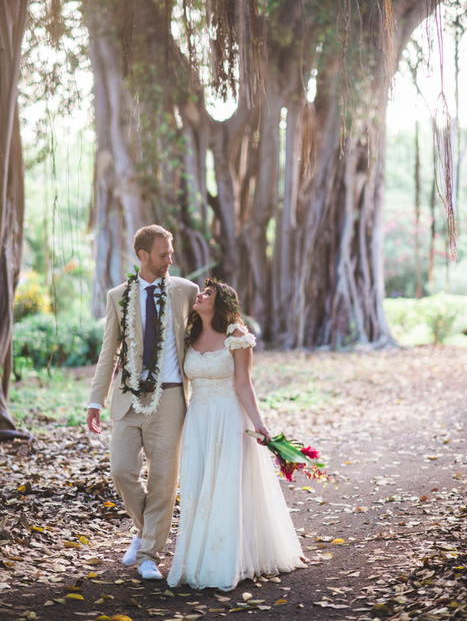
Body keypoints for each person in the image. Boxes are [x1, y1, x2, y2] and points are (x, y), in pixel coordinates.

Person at [167, 278, 306, 591]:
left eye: (207, 293)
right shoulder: (189, 336)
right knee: (199, 486)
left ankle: (226, 560)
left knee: (228, 486)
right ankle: (198, 556)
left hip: (229, 417)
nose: (199, 295)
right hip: (199, 419)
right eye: (201, 292)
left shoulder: (237, 336)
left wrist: (260, 423)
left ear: (220, 303)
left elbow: (243, 384)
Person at [86, 225, 198, 580]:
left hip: (170, 397)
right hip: (128, 399)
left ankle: (149, 554)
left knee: (164, 480)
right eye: (163, 254)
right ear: (143, 256)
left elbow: (207, 332)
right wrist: (95, 400)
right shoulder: (118, 295)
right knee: (121, 469)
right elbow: (109, 352)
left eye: (171, 253)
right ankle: (144, 528)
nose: (170, 260)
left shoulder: (186, 291)